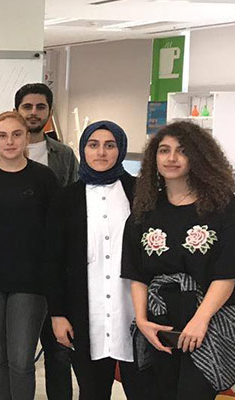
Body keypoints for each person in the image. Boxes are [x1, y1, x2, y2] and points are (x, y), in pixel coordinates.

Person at [122, 121, 235, 400]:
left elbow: (227, 274)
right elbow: (136, 274)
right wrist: (142, 321)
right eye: (164, 150)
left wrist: (200, 320)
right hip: (157, 322)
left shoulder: (223, 208)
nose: (171, 158)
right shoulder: (144, 211)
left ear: (199, 157)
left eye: (182, 151)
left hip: (208, 319)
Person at [47, 121, 154, 399]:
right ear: (83, 149)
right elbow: (53, 261)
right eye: (93, 145)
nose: (101, 153)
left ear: (121, 149)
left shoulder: (140, 193)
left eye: (110, 145)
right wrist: (57, 314)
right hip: (85, 312)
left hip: (133, 309)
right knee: (92, 390)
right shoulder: (66, 198)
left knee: (143, 389)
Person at [0, 111, 61, 400]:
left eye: (16, 135)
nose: (10, 141)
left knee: (20, 359)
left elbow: (55, 229)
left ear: (27, 137)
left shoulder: (44, 178)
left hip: (31, 281)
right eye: (2, 136)